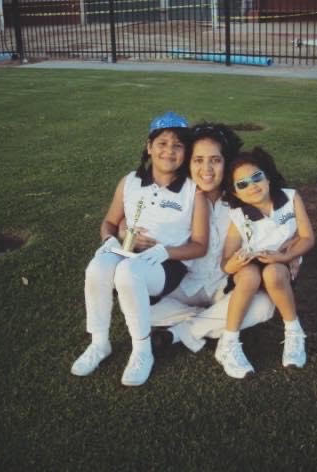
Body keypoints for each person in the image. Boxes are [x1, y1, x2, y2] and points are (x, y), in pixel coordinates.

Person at [71, 112, 209, 386]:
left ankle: (142, 349)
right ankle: (99, 343)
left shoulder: (193, 190)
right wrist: (111, 239)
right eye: (162, 143)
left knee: (127, 273)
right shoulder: (130, 181)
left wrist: (166, 251)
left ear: (185, 152)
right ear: (149, 146)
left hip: (168, 264)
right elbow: (109, 222)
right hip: (129, 252)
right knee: (97, 267)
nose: (169, 151)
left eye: (178, 145)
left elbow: (200, 246)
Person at [148, 124, 295, 353]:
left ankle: (180, 332)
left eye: (215, 160)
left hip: (224, 286)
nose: (206, 168)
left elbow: (279, 224)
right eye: (198, 160)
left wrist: (291, 251)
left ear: (226, 162)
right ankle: (208, 321)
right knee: (140, 308)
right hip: (183, 284)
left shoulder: (244, 195)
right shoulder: (178, 197)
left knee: (265, 306)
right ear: (189, 162)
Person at [215, 146, 315, 379]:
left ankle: (293, 331)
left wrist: (285, 257)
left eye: (256, 177)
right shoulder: (238, 216)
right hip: (249, 265)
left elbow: (308, 237)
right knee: (250, 276)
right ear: (236, 193)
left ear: (268, 177)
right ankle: (228, 342)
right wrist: (237, 261)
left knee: (273, 274)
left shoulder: (290, 198)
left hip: (281, 263)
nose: (252, 186)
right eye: (242, 184)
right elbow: (225, 264)